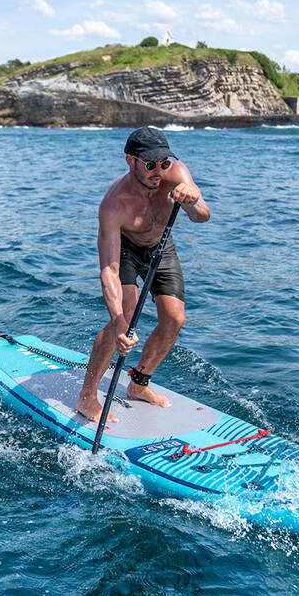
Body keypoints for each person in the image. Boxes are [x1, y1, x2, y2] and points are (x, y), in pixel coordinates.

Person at [75, 127, 211, 423]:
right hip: (125, 251)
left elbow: (203, 215)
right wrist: (118, 320)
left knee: (174, 320)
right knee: (124, 318)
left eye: (164, 163)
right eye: (150, 164)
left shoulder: (176, 174)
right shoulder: (114, 204)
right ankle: (87, 398)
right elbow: (109, 269)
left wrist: (193, 200)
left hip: (161, 247)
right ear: (130, 160)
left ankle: (138, 384)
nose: (159, 171)